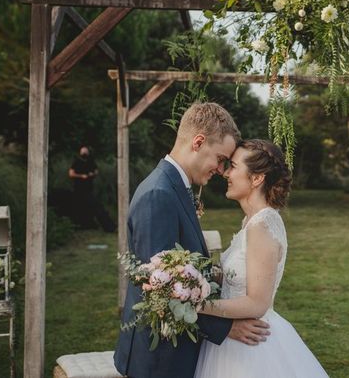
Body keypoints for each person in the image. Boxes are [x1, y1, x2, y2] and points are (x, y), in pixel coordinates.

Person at [114, 103, 271, 378]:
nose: (221, 170)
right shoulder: (159, 194)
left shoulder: (176, 186)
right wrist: (226, 328)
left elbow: (180, 272)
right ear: (198, 142)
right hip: (157, 360)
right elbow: (160, 288)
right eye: (221, 159)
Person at [194, 139, 328, 377]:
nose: (225, 173)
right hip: (234, 338)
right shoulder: (252, 222)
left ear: (257, 178)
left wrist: (195, 305)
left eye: (233, 166)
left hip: (251, 346)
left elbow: (257, 303)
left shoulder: (262, 226)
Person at [68, 145, 114, 232]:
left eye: (86, 152)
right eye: (83, 152)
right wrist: (81, 176)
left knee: (95, 207)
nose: (84, 154)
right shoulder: (76, 162)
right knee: (79, 208)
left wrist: (91, 174)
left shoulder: (90, 161)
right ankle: (80, 225)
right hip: (78, 189)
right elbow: (71, 173)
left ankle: (107, 227)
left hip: (88, 189)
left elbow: (96, 171)